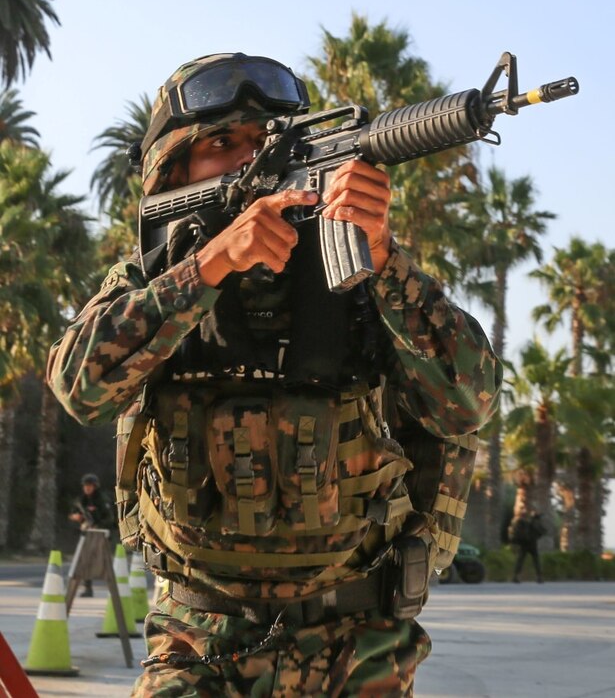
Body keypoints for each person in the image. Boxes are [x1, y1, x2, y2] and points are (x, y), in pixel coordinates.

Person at [48, 53, 502, 696]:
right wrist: (210, 264)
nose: (249, 158)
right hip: (198, 641)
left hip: (356, 645)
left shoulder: (363, 274)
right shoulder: (153, 280)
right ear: (173, 170)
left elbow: (467, 404)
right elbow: (78, 388)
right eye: (221, 144)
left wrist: (383, 256)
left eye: (264, 140)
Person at [68, 472, 114, 596]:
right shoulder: (81, 500)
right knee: (85, 560)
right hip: (87, 534)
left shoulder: (102, 499)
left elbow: (110, 518)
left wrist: (98, 525)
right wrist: (76, 517)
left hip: (101, 534)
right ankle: (87, 588)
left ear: (95, 486)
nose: (87, 488)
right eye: (85, 485)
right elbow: (72, 513)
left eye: (89, 485)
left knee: (104, 562)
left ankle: (114, 589)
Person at [509, 510, 546, 583]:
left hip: (524, 543)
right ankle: (539, 577)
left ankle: (516, 576)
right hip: (532, 543)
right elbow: (541, 531)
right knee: (536, 560)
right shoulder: (534, 522)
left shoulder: (521, 521)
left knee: (520, 560)